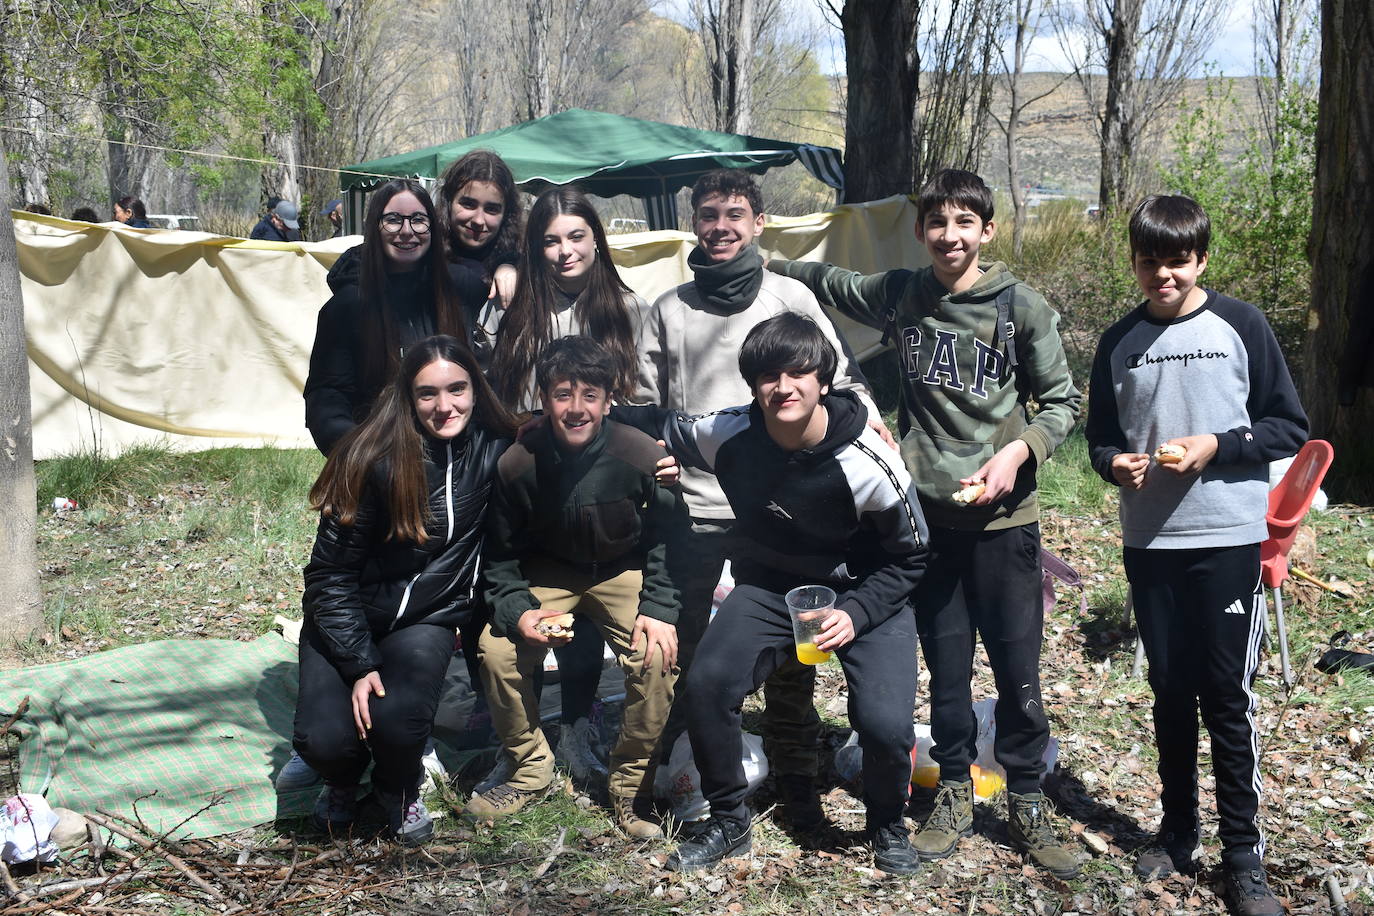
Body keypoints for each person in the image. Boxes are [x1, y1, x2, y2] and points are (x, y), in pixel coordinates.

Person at [766, 168, 1083, 876]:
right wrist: (763, 259)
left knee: (1014, 663)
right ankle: (954, 793)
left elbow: (1063, 402)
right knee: (944, 666)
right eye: (937, 222)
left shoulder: (1019, 307)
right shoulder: (907, 293)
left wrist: (1017, 454)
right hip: (927, 525)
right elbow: (835, 282)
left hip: (1003, 522)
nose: (950, 235)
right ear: (921, 231)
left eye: (964, 223)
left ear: (988, 230)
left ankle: (1028, 796)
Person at [618, 313, 928, 873]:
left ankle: (887, 825)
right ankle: (729, 822)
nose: (782, 388)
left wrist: (856, 614)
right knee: (709, 683)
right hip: (772, 585)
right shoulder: (731, 433)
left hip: (865, 593)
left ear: (824, 381)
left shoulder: (868, 460)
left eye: (798, 373)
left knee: (885, 725)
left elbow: (913, 555)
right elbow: (658, 420)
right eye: (767, 376)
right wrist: (558, 416)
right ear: (752, 384)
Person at [634, 167, 890, 830]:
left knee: (787, 663)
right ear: (694, 223)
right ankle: (684, 774)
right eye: (708, 214)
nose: (720, 226)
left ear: (758, 223)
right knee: (693, 658)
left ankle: (796, 777)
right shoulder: (670, 308)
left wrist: (870, 425)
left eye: (734, 214)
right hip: (696, 513)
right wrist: (650, 458)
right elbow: (641, 411)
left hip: (783, 516)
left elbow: (845, 388)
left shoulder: (790, 300)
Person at [1085, 195, 1306, 916]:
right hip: (1150, 544)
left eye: (1177, 261)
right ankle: (1178, 830)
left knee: (1226, 696)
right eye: (1150, 262)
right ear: (1136, 263)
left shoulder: (1241, 325)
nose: (1163, 275)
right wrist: (1115, 463)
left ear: (1201, 258)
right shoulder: (1118, 341)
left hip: (1228, 541)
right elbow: (1099, 439)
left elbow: (1286, 427)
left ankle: (1244, 856)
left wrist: (1218, 445)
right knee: (1170, 692)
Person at [294, 334, 518, 845]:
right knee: (324, 739)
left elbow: (575, 424)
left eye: (457, 389)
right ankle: (342, 782)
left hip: (427, 618)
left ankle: (397, 788)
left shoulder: (494, 446)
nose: (445, 407)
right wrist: (358, 663)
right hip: (351, 615)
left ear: (476, 389)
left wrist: (654, 456)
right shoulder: (368, 457)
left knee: (397, 725)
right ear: (407, 397)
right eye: (427, 394)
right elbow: (328, 577)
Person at [470, 336, 684, 837]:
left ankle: (631, 788)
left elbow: (672, 539)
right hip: (550, 572)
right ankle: (529, 768)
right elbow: (499, 557)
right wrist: (518, 611)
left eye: (590, 394)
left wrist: (658, 607)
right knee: (496, 650)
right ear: (544, 398)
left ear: (609, 399)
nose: (576, 408)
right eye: (563, 394)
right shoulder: (518, 463)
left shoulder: (639, 454)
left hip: (620, 570)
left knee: (656, 655)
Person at [304, 178, 472, 456]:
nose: (407, 231)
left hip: (453, 460)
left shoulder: (455, 293)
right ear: (374, 227)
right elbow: (326, 397)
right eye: (393, 220)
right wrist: (360, 456)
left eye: (418, 220)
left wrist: (508, 266)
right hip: (379, 458)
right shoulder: (348, 306)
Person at [488, 186, 643, 412]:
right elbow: (484, 389)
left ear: (596, 238)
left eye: (576, 237)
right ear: (537, 248)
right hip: (524, 443)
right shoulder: (507, 307)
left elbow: (644, 396)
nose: (565, 250)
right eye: (551, 241)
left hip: (610, 443)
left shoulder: (630, 310)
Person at [435, 150, 522, 351]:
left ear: (506, 214)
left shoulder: (522, 266)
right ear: (448, 201)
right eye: (468, 204)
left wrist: (512, 264)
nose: (478, 220)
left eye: (491, 209)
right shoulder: (424, 257)